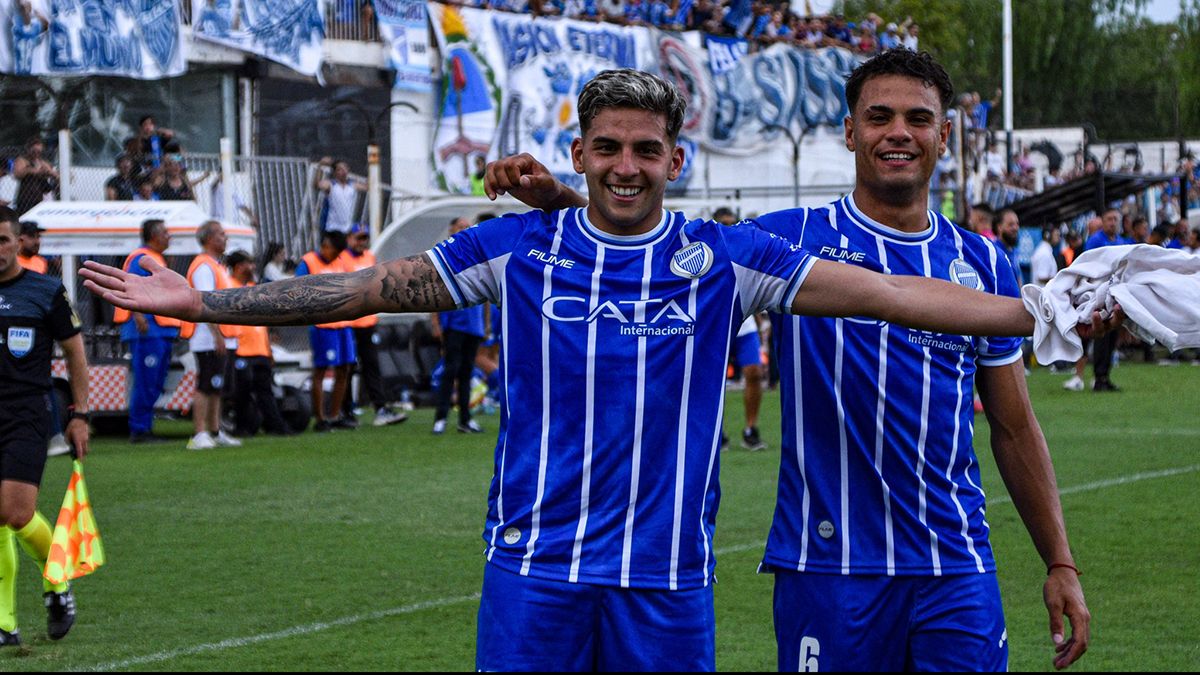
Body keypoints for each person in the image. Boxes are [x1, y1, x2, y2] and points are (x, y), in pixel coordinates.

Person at [82, 69, 1085, 672]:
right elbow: (370, 288)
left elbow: (891, 296)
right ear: (581, 149)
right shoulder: (521, 248)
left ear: (674, 158)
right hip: (535, 579)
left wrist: (1043, 306)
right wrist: (201, 300)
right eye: (608, 146)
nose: (627, 164)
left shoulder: (722, 261)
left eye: (646, 149)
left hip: (668, 585)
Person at [484, 55, 1098, 672]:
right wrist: (564, 200)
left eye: (919, 118)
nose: (899, 133)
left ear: (944, 134)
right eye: (879, 117)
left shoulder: (984, 264)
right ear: (851, 132)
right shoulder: (789, 237)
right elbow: (654, 241)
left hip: (955, 564)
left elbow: (1014, 426)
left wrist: (1061, 561)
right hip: (827, 568)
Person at [0, 206, 89, 647]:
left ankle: (58, 580)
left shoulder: (45, 290)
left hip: (26, 413)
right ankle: (4, 623)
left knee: (14, 512)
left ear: (19, 242)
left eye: (2, 240)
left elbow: (75, 352)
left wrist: (80, 414)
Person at [116, 220, 183, 443]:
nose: (169, 236)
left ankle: (144, 426)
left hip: (161, 331)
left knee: (154, 382)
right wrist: (139, 316)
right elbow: (131, 287)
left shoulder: (157, 258)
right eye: (165, 232)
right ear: (153, 236)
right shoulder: (141, 258)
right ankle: (139, 430)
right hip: (147, 331)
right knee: (146, 381)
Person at [338, 224, 408, 427]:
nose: (362, 242)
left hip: (367, 321)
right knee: (348, 368)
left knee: (372, 365)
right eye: (358, 238)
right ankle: (346, 410)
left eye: (364, 238)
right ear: (349, 238)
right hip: (349, 322)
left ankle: (380, 408)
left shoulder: (369, 257)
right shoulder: (342, 258)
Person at [182, 221, 242, 450]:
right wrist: (217, 335)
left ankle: (215, 430)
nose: (225, 238)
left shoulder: (217, 266)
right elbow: (205, 304)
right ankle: (199, 434)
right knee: (205, 385)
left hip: (222, 336)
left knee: (217, 386)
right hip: (207, 339)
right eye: (221, 234)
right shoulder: (203, 266)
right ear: (208, 238)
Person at [714, 206, 766, 450]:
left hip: (744, 326)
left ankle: (750, 429)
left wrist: (756, 320)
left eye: (732, 222)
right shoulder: (708, 252)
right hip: (717, 326)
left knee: (754, 372)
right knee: (711, 380)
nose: (729, 227)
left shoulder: (743, 251)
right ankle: (717, 433)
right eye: (724, 223)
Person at [429, 217, 487, 435]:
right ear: (451, 229)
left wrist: (486, 324)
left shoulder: (478, 254)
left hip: (474, 324)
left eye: (466, 226)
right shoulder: (444, 254)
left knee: (467, 372)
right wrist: (435, 322)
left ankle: (465, 419)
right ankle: (441, 418)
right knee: (450, 369)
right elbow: (435, 291)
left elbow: (486, 293)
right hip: (454, 323)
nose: (464, 229)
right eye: (460, 226)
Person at [226, 251, 292, 437]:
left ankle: (275, 426)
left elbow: (262, 323)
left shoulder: (254, 287)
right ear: (239, 267)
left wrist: (268, 348)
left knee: (265, 391)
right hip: (241, 350)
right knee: (242, 392)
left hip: (260, 350)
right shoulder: (228, 286)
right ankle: (243, 427)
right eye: (249, 264)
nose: (253, 267)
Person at [297, 230, 356, 432]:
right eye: (334, 250)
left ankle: (335, 414)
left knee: (345, 368)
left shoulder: (340, 261)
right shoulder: (309, 262)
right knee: (321, 370)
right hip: (322, 326)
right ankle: (320, 418)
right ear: (325, 245)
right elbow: (297, 289)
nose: (335, 255)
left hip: (343, 324)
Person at [1083, 208, 1128, 392]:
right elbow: (1088, 265)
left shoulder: (1120, 241)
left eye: (1115, 219)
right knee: (1101, 335)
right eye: (1109, 219)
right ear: (1103, 221)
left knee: (1112, 336)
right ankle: (1099, 377)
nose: (1112, 222)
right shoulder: (1095, 241)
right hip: (1100, 293)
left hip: (1116, 292)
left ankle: (1105, 376)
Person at [314, 158, 366, 234]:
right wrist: (320, 165)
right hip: (332, 229)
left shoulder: (352, 185)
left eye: (345, 168)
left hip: (347, 229)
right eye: (340, 169)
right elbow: (317, 185)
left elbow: (368, 187)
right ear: (335, 173)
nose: (343, 171)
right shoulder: (331, 184)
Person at [11, 137, 58, 216]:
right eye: (34, 151)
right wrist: (31, 170)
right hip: (25, 198)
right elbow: (17, 174)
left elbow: (54, 174)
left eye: (39, 152)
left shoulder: (42, 162)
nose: (36, 154)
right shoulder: (22, 160)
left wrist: (50, 173)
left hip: (39, 198)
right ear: (28, 149)